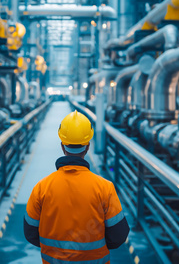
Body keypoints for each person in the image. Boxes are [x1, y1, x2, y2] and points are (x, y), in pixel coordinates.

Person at [24, 110, 130, 264]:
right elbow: (118, 237)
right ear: (87, 147)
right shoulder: (105, 188)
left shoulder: (42, 187)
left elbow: (30, 233)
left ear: (62, 146)